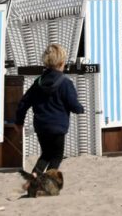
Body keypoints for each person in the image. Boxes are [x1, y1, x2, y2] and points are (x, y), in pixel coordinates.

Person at [15, 44, 84, 180]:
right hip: (58, 127)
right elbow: (73, 104)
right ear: (61, 63)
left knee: (46, 154)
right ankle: (49, 182)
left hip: (41, 126)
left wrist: (19, 121)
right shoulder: (65, 83)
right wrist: (79, 108)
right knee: (57, 156)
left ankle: (33, 179)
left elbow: (24, 103)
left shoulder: (38, 82)